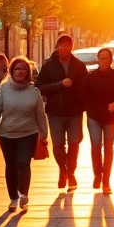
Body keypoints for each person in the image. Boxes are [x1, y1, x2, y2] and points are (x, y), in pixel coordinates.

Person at [0, 56, 48, 211]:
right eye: (17, 69)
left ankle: (23, 194)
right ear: (11, 71)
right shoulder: (3, 89)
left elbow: (40, 114)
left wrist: (44, 133)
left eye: (23, 69)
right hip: (7, 135)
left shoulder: (34, 91)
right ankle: (13, 198)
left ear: (28, 72)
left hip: (29, 133)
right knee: (11, 165)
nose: (19, 72)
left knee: (23, 163)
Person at [35, 34, 89, 192]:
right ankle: (63, 170)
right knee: (58, 145)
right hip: (55, 113)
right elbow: (40, 86)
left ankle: (70, 172)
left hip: (75, 112)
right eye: (60, 46)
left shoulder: (78, 66)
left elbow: (85, 86)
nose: (63, 48)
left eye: (66, 46)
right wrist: (60, 84)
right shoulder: (48, 65)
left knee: (74, 143)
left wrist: (84, 104)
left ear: (72, 47)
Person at [79, 47, 114, 193]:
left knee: (108, 147)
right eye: (101, 58)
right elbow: (82, 95)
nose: (103, 61)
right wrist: (90, 107)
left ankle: (106, 179)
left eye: (106, 58)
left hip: (110, 117)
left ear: (111, 60)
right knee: (95, 146)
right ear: (98, 60)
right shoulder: (90, 77)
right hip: (94, 116)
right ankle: (97, 174)